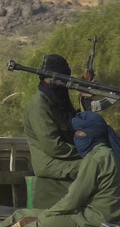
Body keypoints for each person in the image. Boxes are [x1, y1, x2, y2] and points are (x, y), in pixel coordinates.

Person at [24, 54, 81, 209]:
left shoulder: (59, 101)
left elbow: (77, 127)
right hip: (50, 162)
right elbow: (53, 146)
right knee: (99, 166)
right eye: (63, 78)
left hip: (64, 159)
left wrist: (86, 102)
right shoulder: (40, 105)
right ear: (48, 79)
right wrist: (86, 152)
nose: (66, 83)